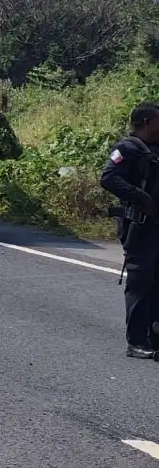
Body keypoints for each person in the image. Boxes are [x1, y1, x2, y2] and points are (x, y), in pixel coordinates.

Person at [100, 101, 159, 359]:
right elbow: (109, 177)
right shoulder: (127, 148)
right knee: (140, 281)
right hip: (140, 227)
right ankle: (135, 341)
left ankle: (153, 336)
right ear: (147, 122)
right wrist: (141, 197)